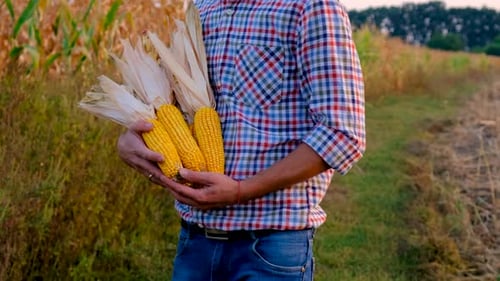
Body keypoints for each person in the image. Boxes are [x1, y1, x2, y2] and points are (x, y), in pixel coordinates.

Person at [117, 0, 365, 280]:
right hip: (194, 239)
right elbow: (169, 107)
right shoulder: (201, 9)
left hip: (270, 248)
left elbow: (342, 134)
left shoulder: (311, 8)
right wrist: (131, 139)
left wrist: (240, 190)